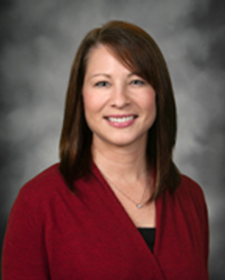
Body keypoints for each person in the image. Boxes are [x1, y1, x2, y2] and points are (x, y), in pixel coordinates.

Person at [2, 20, 209, 279]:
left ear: (158, 93)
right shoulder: (37, 202)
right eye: (102, 83)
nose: (120, 100)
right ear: (81, 96)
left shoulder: (190, 197)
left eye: (137, 81)